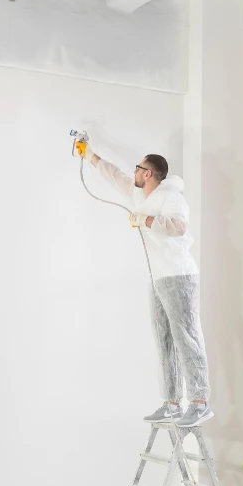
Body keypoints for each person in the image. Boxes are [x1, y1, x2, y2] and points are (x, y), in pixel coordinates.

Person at [83, 142, 212, 427]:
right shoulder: (139, 195)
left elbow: (178, 226)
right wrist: (88, 154)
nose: (134, 172)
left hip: (179, 276)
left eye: (138, 168)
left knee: (187, 336)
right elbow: (115, 176)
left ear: (149, 173)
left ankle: (200, 402)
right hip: (158, 277)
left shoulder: (171, 197)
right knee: (163, 338)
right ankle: (172, 403)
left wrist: (145, 219)